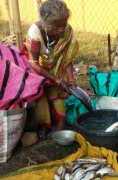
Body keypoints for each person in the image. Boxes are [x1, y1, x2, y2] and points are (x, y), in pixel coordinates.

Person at [23, 0, 79, 138]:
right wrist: (57, 79)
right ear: (46, 24)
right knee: (40, 95)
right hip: (37, 69)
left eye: (63, 25)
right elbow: (34, 64)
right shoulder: (35, 33)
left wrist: (70, 79)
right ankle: (44, 126)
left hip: (55, 68)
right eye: (56, 26)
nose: (61, 29)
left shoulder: (67, 32)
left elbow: (67, 58)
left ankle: (60, 126)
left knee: (57, 92)